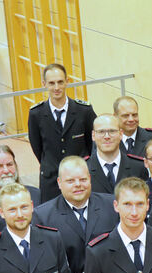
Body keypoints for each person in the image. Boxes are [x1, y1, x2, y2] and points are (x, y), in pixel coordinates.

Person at [28, 63, 97, 202]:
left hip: (80, 179)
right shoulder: (36, 114)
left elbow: (93, 143)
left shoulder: (84, 111)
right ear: (44, 84)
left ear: (67, 81)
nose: (56, 87)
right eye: (51, 83)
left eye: (60, 82)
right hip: (51, 179)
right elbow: (37, 147)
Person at [87, 114, 149, 194]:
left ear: (121, 134)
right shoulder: (84, 168)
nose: (107, 136)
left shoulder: (138, 167)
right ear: (93, 135)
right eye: (101, 131)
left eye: (112, 131)